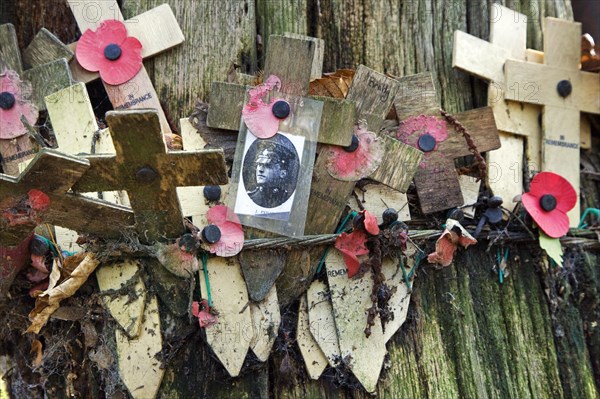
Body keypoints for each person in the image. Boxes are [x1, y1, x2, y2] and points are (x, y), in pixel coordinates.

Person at [244, 134, 299, 208]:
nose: (260, 170)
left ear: (282, 173)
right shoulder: (250, 197)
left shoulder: (287, 201)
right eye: (259, 164)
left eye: (267, 166)